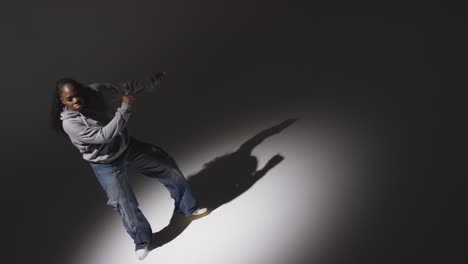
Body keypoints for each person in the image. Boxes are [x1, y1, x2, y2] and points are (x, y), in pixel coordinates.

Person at [49, 72, 207, 261]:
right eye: (69, 99)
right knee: (124, 204)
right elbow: (103, 136)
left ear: (82, 90)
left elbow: (124, 88)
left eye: (77, 95)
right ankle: (142, 241)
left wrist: (151, 81)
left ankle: (187, 207)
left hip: (127, 148)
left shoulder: (95, 91)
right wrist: (125, 107)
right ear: (62, 101)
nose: (75, 100)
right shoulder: (70, 124)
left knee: (166, 166)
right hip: (105, 164)